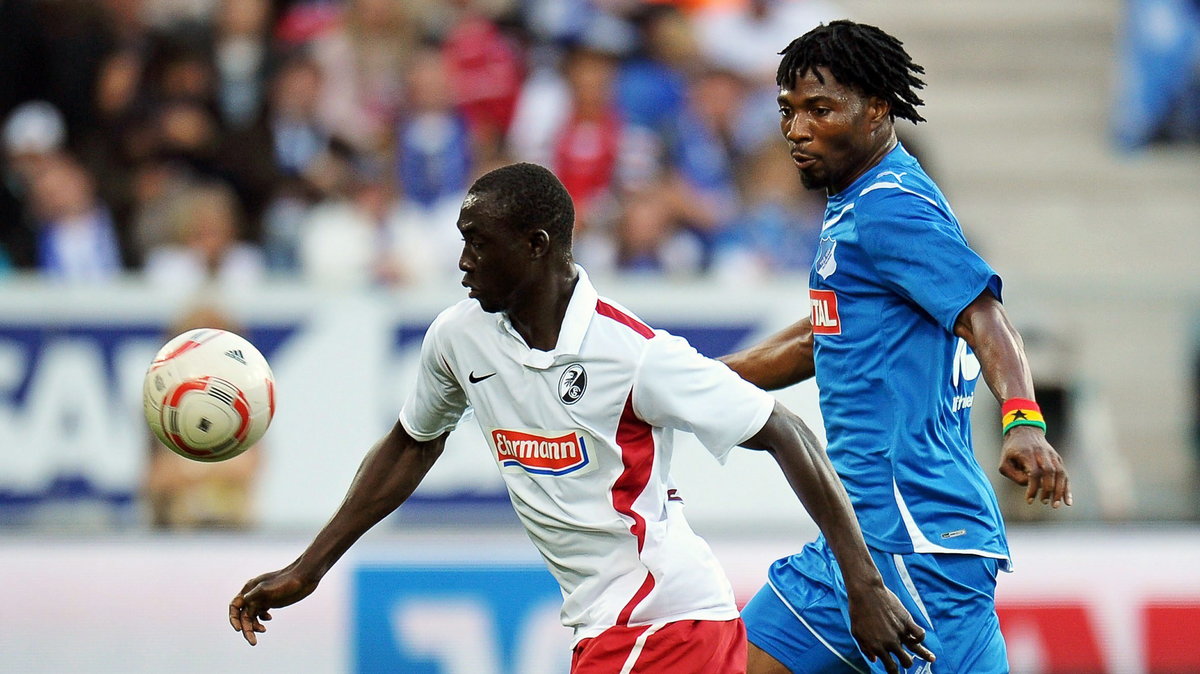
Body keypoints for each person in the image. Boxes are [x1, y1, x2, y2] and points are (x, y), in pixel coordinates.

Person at [228, 162, 934, 673]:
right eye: (461, 240)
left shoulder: (633, 355)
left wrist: (863, 586)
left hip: (662, 620)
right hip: (616, 625)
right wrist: (308, 569)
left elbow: (785, 431)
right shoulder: (459, 337)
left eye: (480, 242)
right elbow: (412, 445)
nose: (464, 262)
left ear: (537, 245)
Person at [719, 21, 1072, 674]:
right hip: (855, 541)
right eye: (788, 111)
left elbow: (987, 318)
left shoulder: (891, 210)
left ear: (878, 108)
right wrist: (694, 379)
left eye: (819, 110)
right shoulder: (858, 201)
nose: (796, 129)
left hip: (920, 545)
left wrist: (1024, 423)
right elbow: (823, 335)